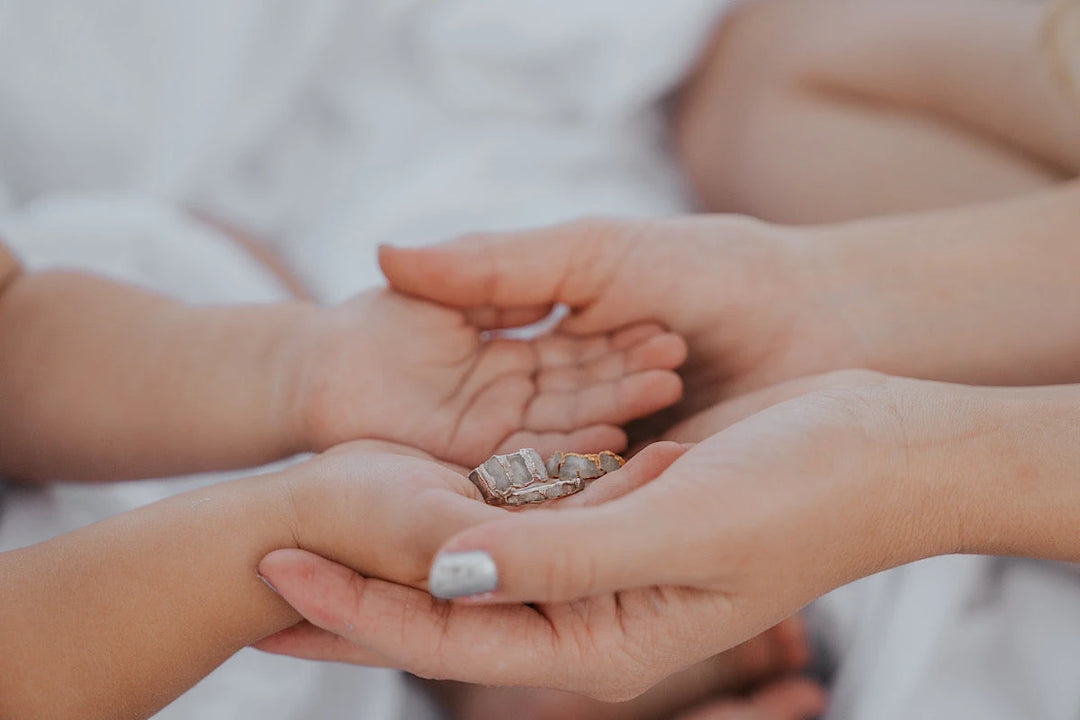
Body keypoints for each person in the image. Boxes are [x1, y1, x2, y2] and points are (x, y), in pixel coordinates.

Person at [0, 237, 690, 719]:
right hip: (103, 636)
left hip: (135, 492)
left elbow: (13, 323)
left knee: (225, 260)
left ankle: (479, 662)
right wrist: (298, 528)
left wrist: (301, 368)